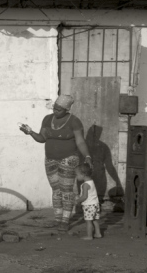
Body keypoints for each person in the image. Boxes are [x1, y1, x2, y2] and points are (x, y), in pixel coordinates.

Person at [19, 93, 93, 232]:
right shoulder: (47, 119)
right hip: (50, 158)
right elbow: (42, 138)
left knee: (66, 190)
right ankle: (57, 219)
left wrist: (87, 156)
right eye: (55, 108)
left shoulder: (74, 121)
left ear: (67, 109)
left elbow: (80, 141)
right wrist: (30, 132)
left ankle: (65, 221)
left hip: (69, 159)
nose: (55, 111)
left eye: (59, 109)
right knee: (56, 189)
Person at [73, 162, 102, 240]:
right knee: (95, 220)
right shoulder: (91, 182)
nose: (76, 177)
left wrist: (77, 201)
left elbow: (85, 196)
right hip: (95, 204)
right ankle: (98, 233)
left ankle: (89, 236)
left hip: (89, 205)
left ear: (83, 175)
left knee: (88, 221)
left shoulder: (85, 185)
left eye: (77, 175)